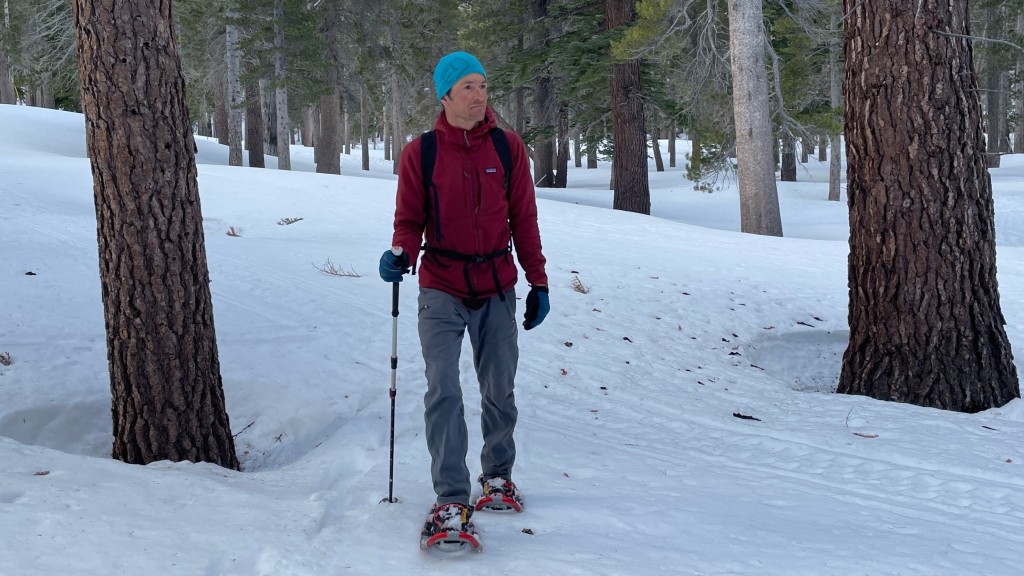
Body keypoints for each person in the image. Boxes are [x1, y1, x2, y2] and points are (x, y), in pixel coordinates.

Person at [379, 50, 549, 543]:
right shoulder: (422, 153)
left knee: (499, 386)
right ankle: (451, 498)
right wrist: (400, 255)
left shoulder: (508, 148)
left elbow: (525, 220)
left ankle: (497, 476)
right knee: (444, 389)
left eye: (484, 85)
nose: (480, 95)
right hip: (441, 286)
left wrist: (538, 281)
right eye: (469, 87)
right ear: (446, 95)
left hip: (497, 285)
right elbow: (409, 221)